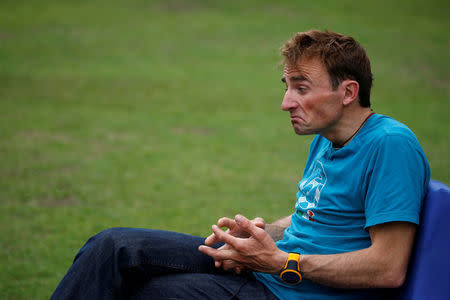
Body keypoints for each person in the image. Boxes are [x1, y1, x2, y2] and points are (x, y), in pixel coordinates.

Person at [51, 30, 430, 300]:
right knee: (113, 247)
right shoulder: (326, 138)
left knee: (148, 293)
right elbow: (315, 217)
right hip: (271, 273)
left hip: (293, 291)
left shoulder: (389, 144)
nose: (286, 102)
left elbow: (388, 267)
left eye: (301, 87)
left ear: (347, 92)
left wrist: (280, 262)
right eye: (286, 86)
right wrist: (257, 236)